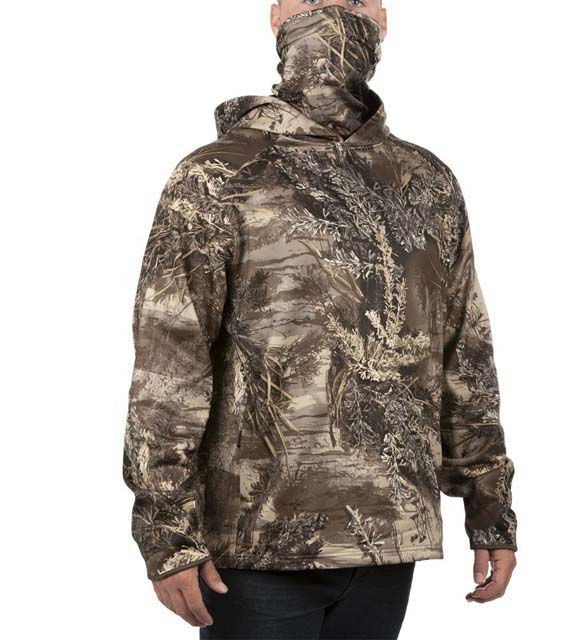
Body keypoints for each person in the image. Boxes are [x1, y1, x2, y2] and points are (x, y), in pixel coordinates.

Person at [122, 1, 518, 638]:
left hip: (390, 535)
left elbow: (464, 353)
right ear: (275, 16)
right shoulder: (218, 175)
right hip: (258, 544)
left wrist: (491, 508)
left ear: (384, 20)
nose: (334, 11)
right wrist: (168, 533)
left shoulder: (425, 182)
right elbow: (170, 363)